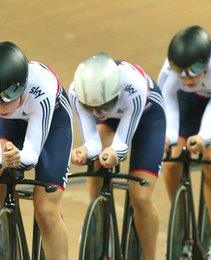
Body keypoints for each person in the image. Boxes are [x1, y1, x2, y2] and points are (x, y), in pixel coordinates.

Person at [158, 25, 211, 260]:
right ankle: (183, 227)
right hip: (188, 102)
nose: (187, 77)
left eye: (195, 70)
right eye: (181, 72)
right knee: (171, 161)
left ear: (205, 63)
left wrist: (204, 137)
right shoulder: (168, 72)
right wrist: (171, 137)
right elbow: (168, 103)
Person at [70, 52, 166, 260]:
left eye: (102, 106)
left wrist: (114, 153)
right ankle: (98, 220)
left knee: (140, 196)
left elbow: (121, 144)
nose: (97, 112)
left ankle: (150, 257)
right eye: (90, 107)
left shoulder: (134, 86)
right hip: (114, 122)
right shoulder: (76, 92)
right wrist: (85, 151)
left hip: (148, 119)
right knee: (99, 152)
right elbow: (93, 142)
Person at [0, 41, 72, 259]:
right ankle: (7, 225)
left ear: (22, 87)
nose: (1, 106)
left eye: (8, 98)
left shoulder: (41, 85)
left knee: (46, 210)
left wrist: (17, 157)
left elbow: (30, 155)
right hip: (11, 123)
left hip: (52, 125)